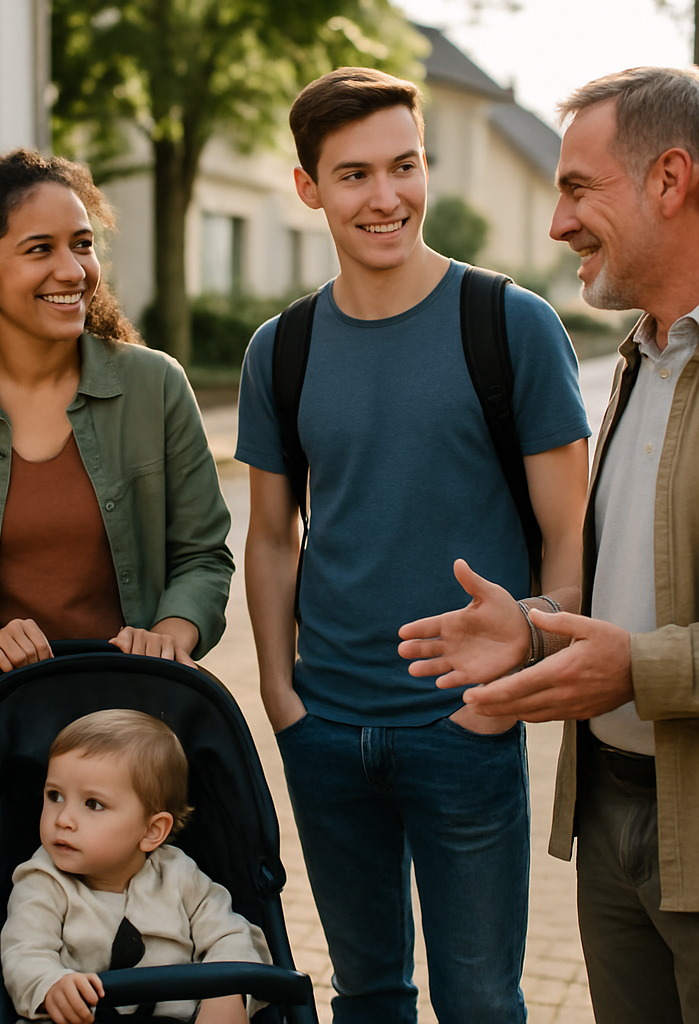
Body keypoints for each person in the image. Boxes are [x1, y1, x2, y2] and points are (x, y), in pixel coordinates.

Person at [235, 68, 591, 1023]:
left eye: (405, 165)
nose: (386, 197)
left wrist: (521, 676)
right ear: (309, 187)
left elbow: (571, 530)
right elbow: (272, 537)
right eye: (354, 175)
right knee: (368, 995)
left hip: (464, 727)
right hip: (326, 729)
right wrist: (281, 694)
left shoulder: (510, 324)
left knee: (478, 1001)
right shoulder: (284, 347)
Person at [399, 66, 699, 1024]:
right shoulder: (640, 361)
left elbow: (643, 650)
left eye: (578, 188)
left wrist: (639, 669)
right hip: (610, 809)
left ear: (670, 178)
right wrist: (539, 637)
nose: (559, 223)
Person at [0, 150, 232, 864]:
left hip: (135, 746)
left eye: (82, 244)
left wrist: (174, 632)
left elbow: (203, 555)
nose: (73, 270)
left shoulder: (154, 387)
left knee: (148, 961)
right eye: (40, 250)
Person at [0, 710, 270, 1024]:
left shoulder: (180, 877)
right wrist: (50, 983)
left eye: (93, 804)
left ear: (152, 831)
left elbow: (232, 935)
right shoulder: (42, 882)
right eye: (55, 796)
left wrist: (227, 994)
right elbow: (24, 951)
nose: (63, 819)